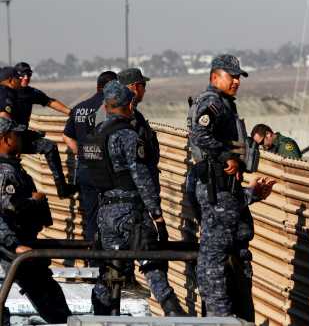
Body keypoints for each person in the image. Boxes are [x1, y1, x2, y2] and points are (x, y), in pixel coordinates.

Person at [187, 54, 275, 320]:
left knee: (228, 255)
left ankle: (228, 315)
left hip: (226, 191)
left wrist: (251, 194)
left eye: (238, 77)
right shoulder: (213, 102)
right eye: (231, 76)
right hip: (217, 188)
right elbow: (199, 134)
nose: (236, 81)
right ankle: (219, 317)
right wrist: (226, 156)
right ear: (215, 76)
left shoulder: (224, 103)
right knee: (214, 258)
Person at [86, 80, 184, 316]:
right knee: (152, 265)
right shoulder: (127, 135)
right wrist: (157, 214)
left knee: (109, 273)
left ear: (107, 106)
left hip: (104, 213)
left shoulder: (95, 135)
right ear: (129, 104)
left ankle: (98, 318)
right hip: (130, 212)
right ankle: (176, 315)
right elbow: (141, 176)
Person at [0, 116, 71, 324]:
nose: (21, 140)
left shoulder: (11, 167)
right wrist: (14, 244)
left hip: (20, 244)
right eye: (17, 135)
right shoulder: (4, 171)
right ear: (6, 139)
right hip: (12, 246)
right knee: (48, 298)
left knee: (49, 296)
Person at [0, 64, 74, 198]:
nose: (26, 78)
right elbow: (5, 119)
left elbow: (49, 101)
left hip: (20, 137)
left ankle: (62, 188)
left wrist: (71, 113)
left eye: (29, 75)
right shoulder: (5, 93)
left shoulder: (30, 93)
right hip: (7, 140)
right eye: (22, 75)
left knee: (49, 146)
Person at [62, 71, 117, 241]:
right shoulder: (110, 108)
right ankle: (107, 262)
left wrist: (83, 152)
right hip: (105, 171)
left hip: (85, 169)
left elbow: (66, 136)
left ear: (97, 86)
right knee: (110, 217)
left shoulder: (79, 108)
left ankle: (92, 262)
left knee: (91, 218)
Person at [117, 68, 160, 193]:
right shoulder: (129, 115)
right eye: (143, 85)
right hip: (135, 188)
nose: (145, 90)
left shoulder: (109, 111)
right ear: (135, 87)